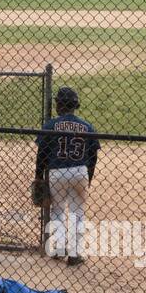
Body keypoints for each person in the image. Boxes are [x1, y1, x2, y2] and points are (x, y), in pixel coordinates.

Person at [35, 87, 100, 265]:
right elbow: (93, 157)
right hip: (80, 171)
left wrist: (38, 176)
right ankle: (74, 254)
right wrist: (89, 177)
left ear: (59, 106)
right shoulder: (87, 126)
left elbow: (42, 154)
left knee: (57, 211)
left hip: (56, 173)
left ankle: (59, 249)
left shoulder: (51, 125)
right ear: (75, 105)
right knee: (77, 213)